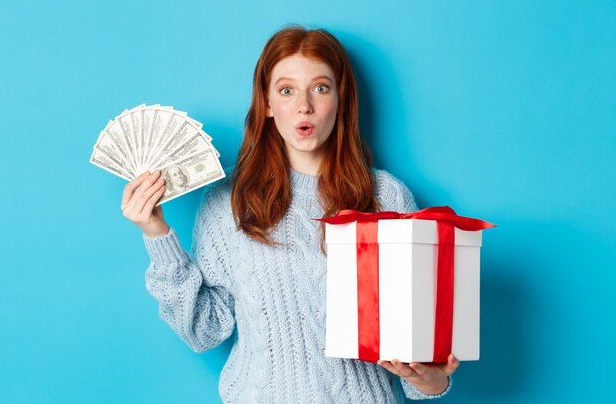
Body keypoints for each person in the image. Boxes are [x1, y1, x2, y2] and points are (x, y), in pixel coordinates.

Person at [120, 26, 459, 403]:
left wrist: (430, 379)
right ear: (266, 103)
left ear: (341, 100)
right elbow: (205, 331)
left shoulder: (386, 196)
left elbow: (416, 357)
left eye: (320, 87)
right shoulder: (228, 201)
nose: (304, 106)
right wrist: (156, 234)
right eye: (286, 90)